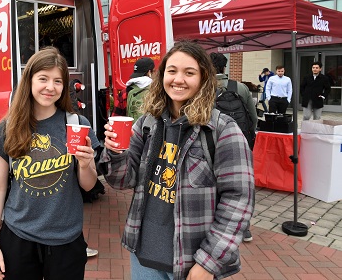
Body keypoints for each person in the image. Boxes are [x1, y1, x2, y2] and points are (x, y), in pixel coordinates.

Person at [100, 41, 254, 280]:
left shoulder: (222, 130)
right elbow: (123, 181)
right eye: (172, 71)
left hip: (192, 261)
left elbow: (238, 201)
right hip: (144, 255)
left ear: (203, 78)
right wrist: (116, 152)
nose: (178, 79)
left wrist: (208, 262)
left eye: (189, 72)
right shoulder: (147, 124)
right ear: (162, 76)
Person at [0, 47, 100, 280]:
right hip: (18, 238)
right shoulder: (8, 127)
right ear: (29, 81)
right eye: (43, 78)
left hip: (66, 241)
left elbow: (88, 186)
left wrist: (86, 164)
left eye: (58, 81)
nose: (50, 87)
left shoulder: (77, 124)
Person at [211, 52, 257, 243]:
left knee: (216, 182)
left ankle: (218, 223)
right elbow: (253, 117)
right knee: (241, 184)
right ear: (224, 67)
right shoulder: (240, 88)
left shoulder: (206, 88)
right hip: (242, 141)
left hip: (216, 141)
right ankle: (244, 228)